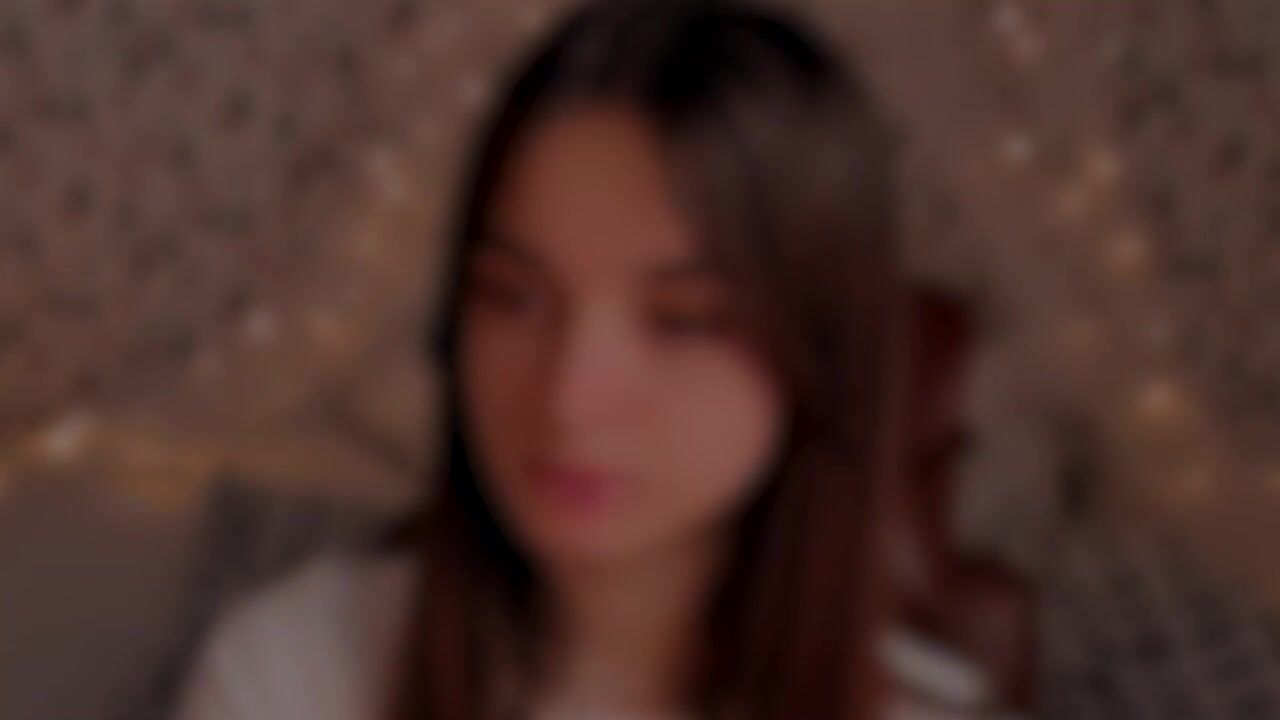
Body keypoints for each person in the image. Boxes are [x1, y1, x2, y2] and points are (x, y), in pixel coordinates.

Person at [174, 1, 991, 718]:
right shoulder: (297, 673)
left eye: (680, 320)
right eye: (514, 297)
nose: (569, 393)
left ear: (820, 354)